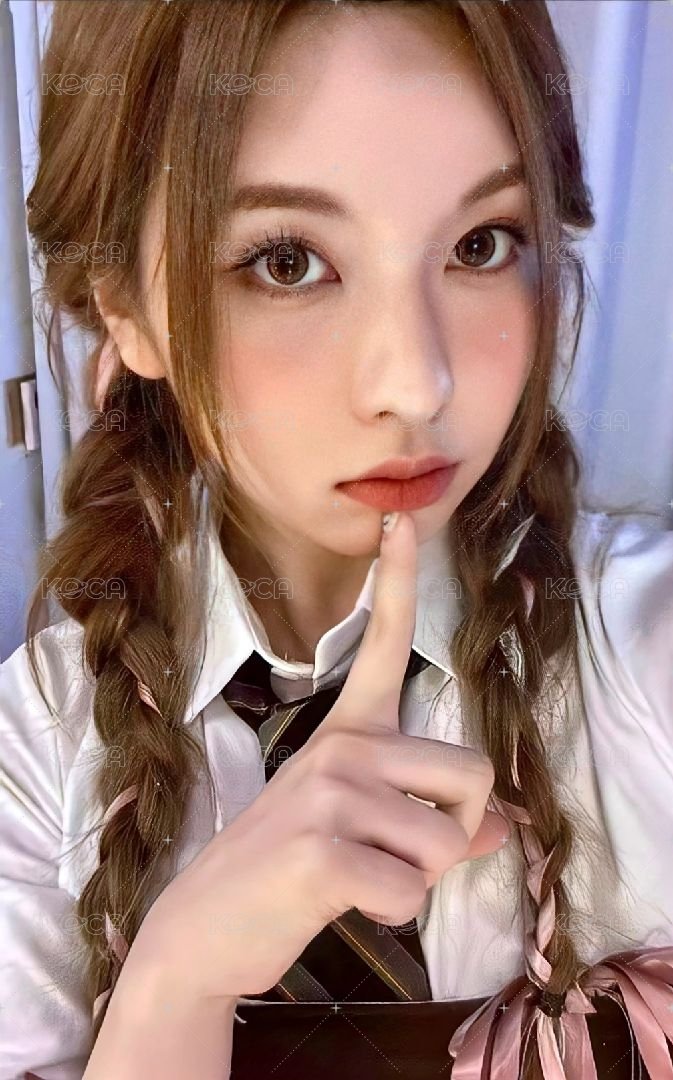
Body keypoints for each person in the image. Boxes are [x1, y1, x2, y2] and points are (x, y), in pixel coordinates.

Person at [1, 0, 672, 1077]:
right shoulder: (32, 756)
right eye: (286, 262)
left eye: (480, 245)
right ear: (122, 307)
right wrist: (175, 980)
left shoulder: (639, 650)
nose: (416, 381)